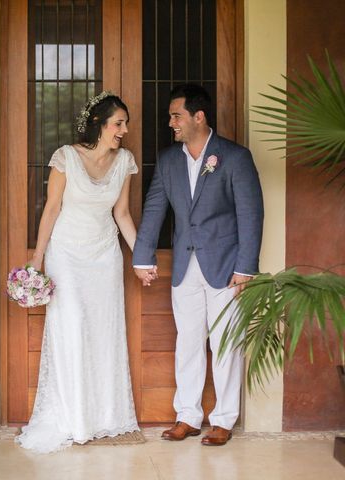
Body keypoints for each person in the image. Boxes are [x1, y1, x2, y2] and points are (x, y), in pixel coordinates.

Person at [133, 84, 264, 446]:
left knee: (225, 343)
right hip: (183, 267)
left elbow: (250, 214)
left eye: (176, 116)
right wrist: (142, 256)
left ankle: (223, 420)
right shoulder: (168, 160)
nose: (171, 122)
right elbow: (155, 208)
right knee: (187, 342)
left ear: (198, 116)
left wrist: (245, 268)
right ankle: (187, 417)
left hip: (226, 267)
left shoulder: (235, 157)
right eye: (171, 116)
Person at [15, 92, 142, 453]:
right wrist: (37, 258)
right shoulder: (67, 157)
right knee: (71, 329)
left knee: (104, 333)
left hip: (105, 257)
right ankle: (73, 419)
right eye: (118, 123)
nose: (124, 130)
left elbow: (122, 215)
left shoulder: (125, 161)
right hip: (67, 256)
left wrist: (140, 258)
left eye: (125, 123)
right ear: (99, 125)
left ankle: (103, 416)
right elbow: (52, 208)